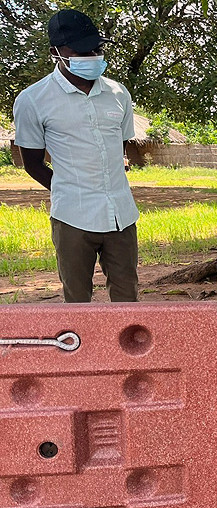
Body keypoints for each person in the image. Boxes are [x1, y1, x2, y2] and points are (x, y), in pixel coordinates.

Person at [13, 9, 139, 303]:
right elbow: (32, 162)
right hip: (72, 218)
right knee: (77, 303)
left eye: (97, 48)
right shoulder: (33, 100)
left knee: (127, 299)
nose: (92, 55)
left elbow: (119, 146)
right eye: (82, 50)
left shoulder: (118, 94)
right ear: (56, 52)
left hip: (121, 215)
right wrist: (68, 188)